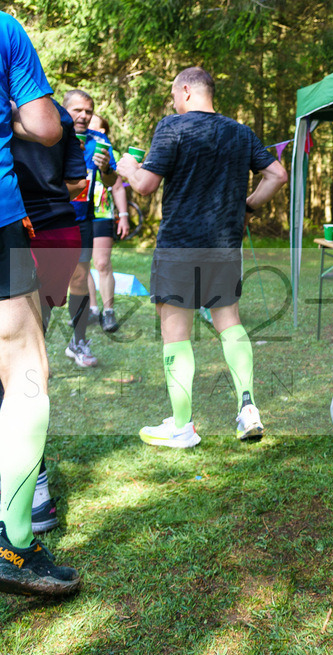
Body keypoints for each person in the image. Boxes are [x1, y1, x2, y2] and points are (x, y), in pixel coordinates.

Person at [116, 66, 287, 447]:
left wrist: (128, 167)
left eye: (174, 94)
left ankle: (182, 427)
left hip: (180, 244)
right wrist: (248, 207)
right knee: (229, 321)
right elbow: (277, 174)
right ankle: (248, 408)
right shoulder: (240, 132)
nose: (173, 102)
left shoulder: (172, 127)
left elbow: (144, 185)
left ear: (187, 90)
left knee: (176, 332)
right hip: (225, 243)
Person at [0, 10, 81, 596]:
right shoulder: (4, 27)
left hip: (50, 230)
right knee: (26, 366)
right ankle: (15, 545)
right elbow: (45, 125)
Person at [11, 98, 87, 535]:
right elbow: (77, 181)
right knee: (25, 355)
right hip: (60, 230)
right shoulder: (56, 112)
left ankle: (32, 487)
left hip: (22, 232)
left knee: (17, 364)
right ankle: (33, 487)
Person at [63, 88, 118, 367]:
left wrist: (107, 168)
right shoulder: (52, 134)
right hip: (50, 217)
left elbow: (109, 182)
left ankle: (78, 342)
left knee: (79, 280)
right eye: (77, 110)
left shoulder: (99, 139)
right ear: (64, 110)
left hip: (83, 218)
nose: (84, 116)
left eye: (88, 110)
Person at [84, 113, 130, 333]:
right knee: (82, 266)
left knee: (101, 263)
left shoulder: (109, 151)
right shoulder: (74, 145)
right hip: (79, 212)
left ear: (102, 131)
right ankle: (92, 310)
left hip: (102, 212)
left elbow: (118, 187)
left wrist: (123, 216)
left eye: (95, 125)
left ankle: (108, 311)